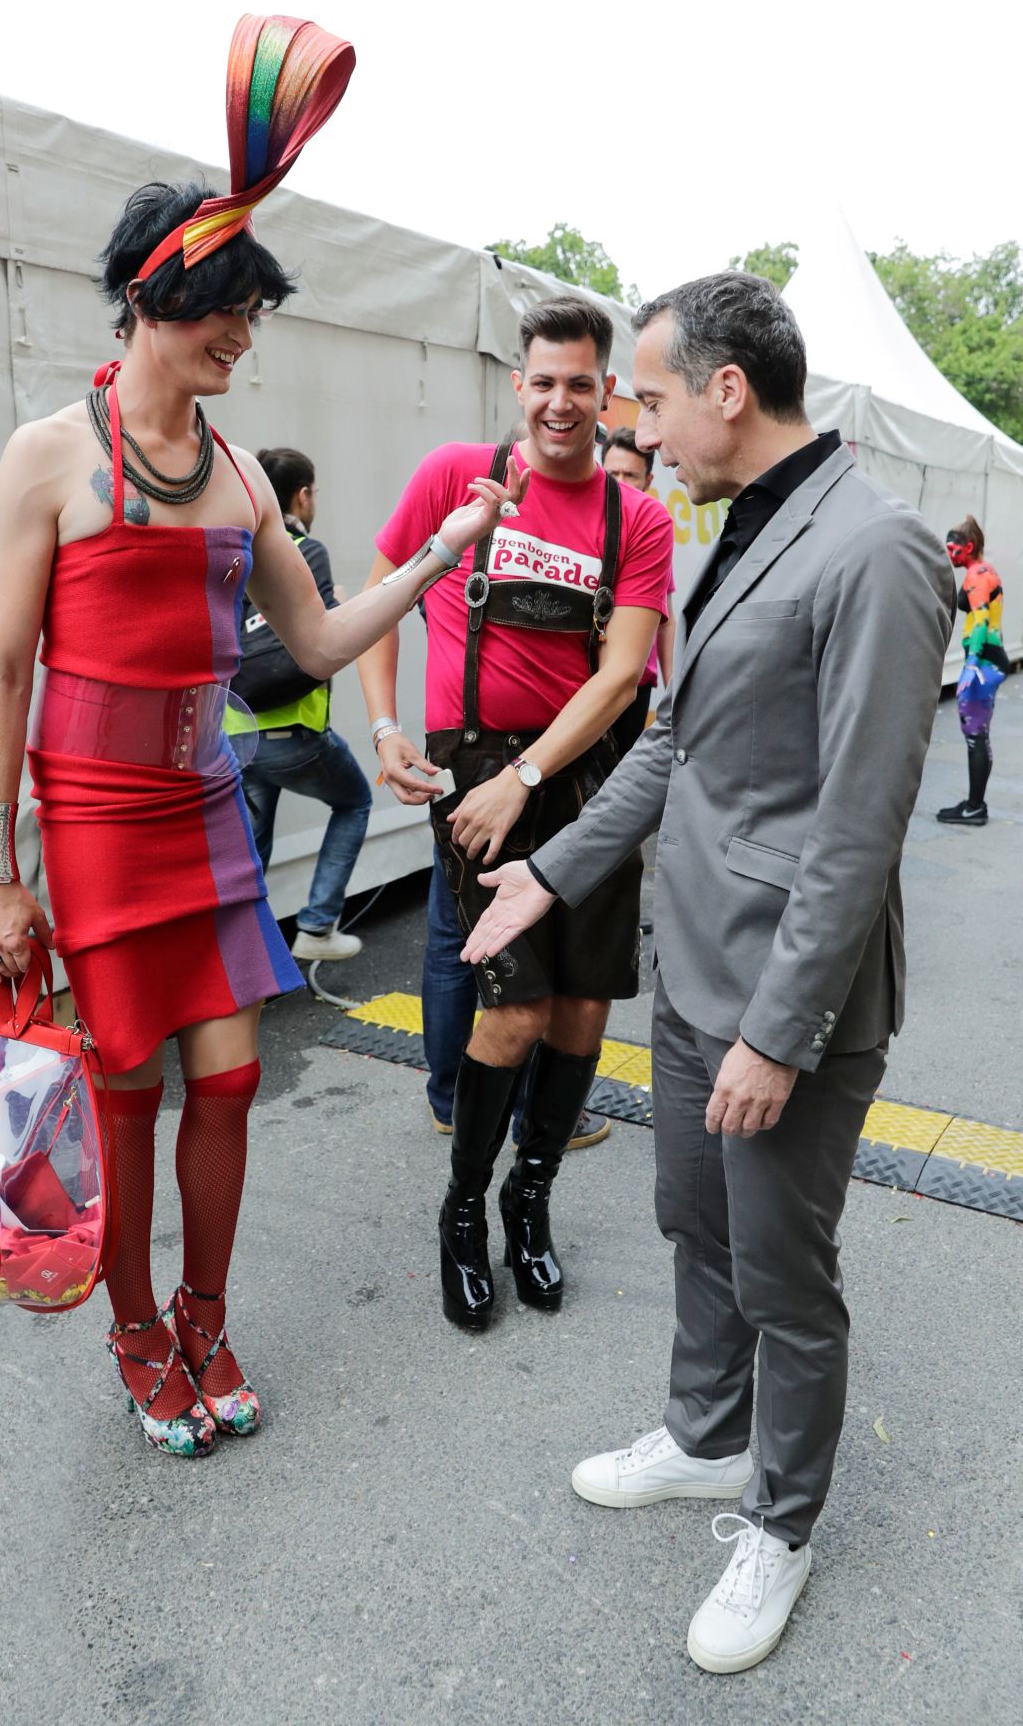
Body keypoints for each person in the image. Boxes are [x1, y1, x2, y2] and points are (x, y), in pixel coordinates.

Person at [0, 14, 526, 1461]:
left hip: (207, 813)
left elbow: (326, 639)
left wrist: (445, 549)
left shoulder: (230, 477)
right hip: (87, 824)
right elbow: (5, 661)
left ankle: (207, 1319)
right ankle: (135, 1331)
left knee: (226, 1082)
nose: (244, 335)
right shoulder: (49, 456)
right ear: (161, 297)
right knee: (129, 1091)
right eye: (230, 309)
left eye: (254, 315)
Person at [461, 272, 955, 1669]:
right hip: (690, 972)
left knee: (784, 1280)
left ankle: (781, 1524)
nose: (642, 428)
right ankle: (704, 1432)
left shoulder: (875, 550)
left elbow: (857, 830)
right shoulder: (728, 530)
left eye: (657, 399)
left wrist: (781, 1034)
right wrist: (552, 870)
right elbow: (674, 748)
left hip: (784, 1004)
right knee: (694, 1222)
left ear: (728, 391)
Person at [358, 295, 672, 1330]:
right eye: (544, 381)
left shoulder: (640, 517)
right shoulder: (459, 476)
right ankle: (462, 1213)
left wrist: (530, 777)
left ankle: (528, 1202)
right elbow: (386, 585)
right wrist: (385, 726)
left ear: (606, 390)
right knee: (517, 1006)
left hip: (582, 774)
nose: (561, 402)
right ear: (518, 385)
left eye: (581, 383)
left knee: (584, 1009)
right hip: (476, 769)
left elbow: (625, 671)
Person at [237, 446, 372, 959]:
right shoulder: (302, 548)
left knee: (253, 852)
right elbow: (325, 639)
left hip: (238, 735)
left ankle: (242, 954)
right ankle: (316, 928)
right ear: (301, 494)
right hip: (296, 734)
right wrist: (332, 604)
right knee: (355, 801)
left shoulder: (239, 547)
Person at [602, 427, 676, 758]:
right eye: (612, 472)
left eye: (630, 474)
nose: (620, 481)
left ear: (647, 480)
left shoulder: (650, 531)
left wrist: (673, 685)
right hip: (584, 679)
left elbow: (666, 616)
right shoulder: (587, 522)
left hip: (633, 685)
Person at [937, 514, 1008, 826]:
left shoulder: (977, 575)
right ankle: (974, 802)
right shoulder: (984, 570)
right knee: (978, 735)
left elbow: (979, 620)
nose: (950, 554)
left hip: (983, 663)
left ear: (969, 547)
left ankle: (975, 807)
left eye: (954, 549)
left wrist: (970, 665)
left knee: (975, 736)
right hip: (989, 660)